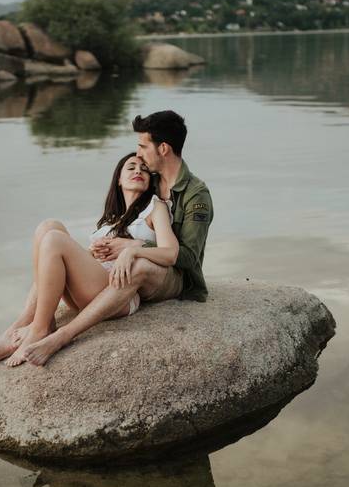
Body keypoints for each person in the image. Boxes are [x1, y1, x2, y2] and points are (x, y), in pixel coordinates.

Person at [19, 110, 213, 366]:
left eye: (143, 147)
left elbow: (186, 257)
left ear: (163, 148)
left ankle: (63, 336)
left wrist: (134, 247)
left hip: (177, 277)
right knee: (50, 232)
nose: (139, 154)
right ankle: (25, 324)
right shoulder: (150, 181)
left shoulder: (196, 194)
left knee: (138, 264)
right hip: (145, 268)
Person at [0, 151, 179, 366]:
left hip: (117, 293)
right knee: (48, 226)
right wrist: (92, 254)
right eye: (131, 167)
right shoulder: (110, 220)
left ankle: (39, 330)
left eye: (144, 169)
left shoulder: (155, 208)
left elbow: (170, 253)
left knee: (54, 239)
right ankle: (29, 323)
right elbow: (88, 262)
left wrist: (132, 250)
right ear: (118, 178)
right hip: (92, 286)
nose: (138, 171)